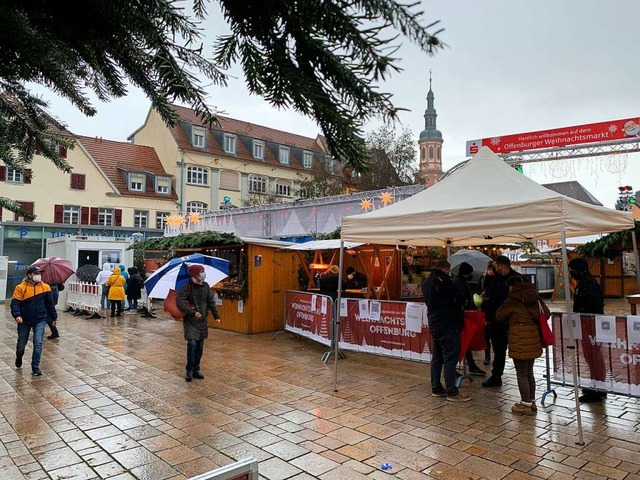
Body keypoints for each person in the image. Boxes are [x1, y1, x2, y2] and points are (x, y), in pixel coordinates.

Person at [496, 276, 550, 415]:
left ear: (511, 286)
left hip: (519, 339)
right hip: (533, 338)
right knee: (529, 372)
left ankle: (525, 404)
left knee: (521, 373)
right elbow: (547, 314)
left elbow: (499, 315)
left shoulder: (512, 300)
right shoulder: (536, 297)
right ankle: (531, 401)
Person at [423, 259, 470, 402]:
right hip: (448, 323)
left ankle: (436, 387)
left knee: (437, 357)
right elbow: (459, 299)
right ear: (446, 269)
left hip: (434, 323)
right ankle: (452, 391)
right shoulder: (446, 282)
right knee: (450, 358)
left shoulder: (427, 282)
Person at [568, 257, 607, 403]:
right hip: (586, 324)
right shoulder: (584, 282)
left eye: (572, 270)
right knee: (590, 356)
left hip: (591, 324)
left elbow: (593, 305)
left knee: (593, 355)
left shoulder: (588, 284)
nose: (571, 273)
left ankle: (598, 388)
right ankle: (595, 383)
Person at [482, 255, 523, 388]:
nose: (494, 268)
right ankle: (496, 375)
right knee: (498, 349)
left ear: (502, 265)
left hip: (513, 322)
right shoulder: (495, 278)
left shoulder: (517, 279)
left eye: (496, 265)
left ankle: (523, 377)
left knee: (518, 350)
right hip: (496, 321)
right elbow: (488, 293)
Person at [11, 266, 58, 376]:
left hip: (40, 319)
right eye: (36, 273)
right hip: (24, 320)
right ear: (29, 275)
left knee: (38, 342)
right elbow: (15, 304)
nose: (39, 275)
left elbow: (50, 304)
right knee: (21, 344)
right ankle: (19, 357)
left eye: (39, 273)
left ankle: (35, 366)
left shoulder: (45, 287)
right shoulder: (20, 288)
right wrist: (17, 315)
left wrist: (54, 317)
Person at [177, 264, 221, 382]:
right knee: (192, 344)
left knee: (200, 347)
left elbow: (211, 301)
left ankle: (196, 369)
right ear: (194, 275)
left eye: (203, 272)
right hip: (190, 321)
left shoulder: (205, 286)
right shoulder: (187, 287)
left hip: (202, 322)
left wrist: (216, 316)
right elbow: (180, 301)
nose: (203, 274)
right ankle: (189, 370)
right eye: (200, 272)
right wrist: (191, 312)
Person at [453, 262, 485, 376]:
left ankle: (470, 365)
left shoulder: (459, 281)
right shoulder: (460, 283)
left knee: (465, 342)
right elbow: (462, 299)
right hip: (461, 316)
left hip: (460, 315)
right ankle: (456, 368)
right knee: (462, 342)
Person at [477, 261, 496, 365]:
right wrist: (482, 294)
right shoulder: (483, 279)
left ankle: (495, 356)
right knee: (486, 335)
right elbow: (478, 290)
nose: (490, 272)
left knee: (494, 336)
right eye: (489, 270)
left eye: (492, 270)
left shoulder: (498, 280)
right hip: (485, 311)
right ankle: (487, 356)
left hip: (495, 312)